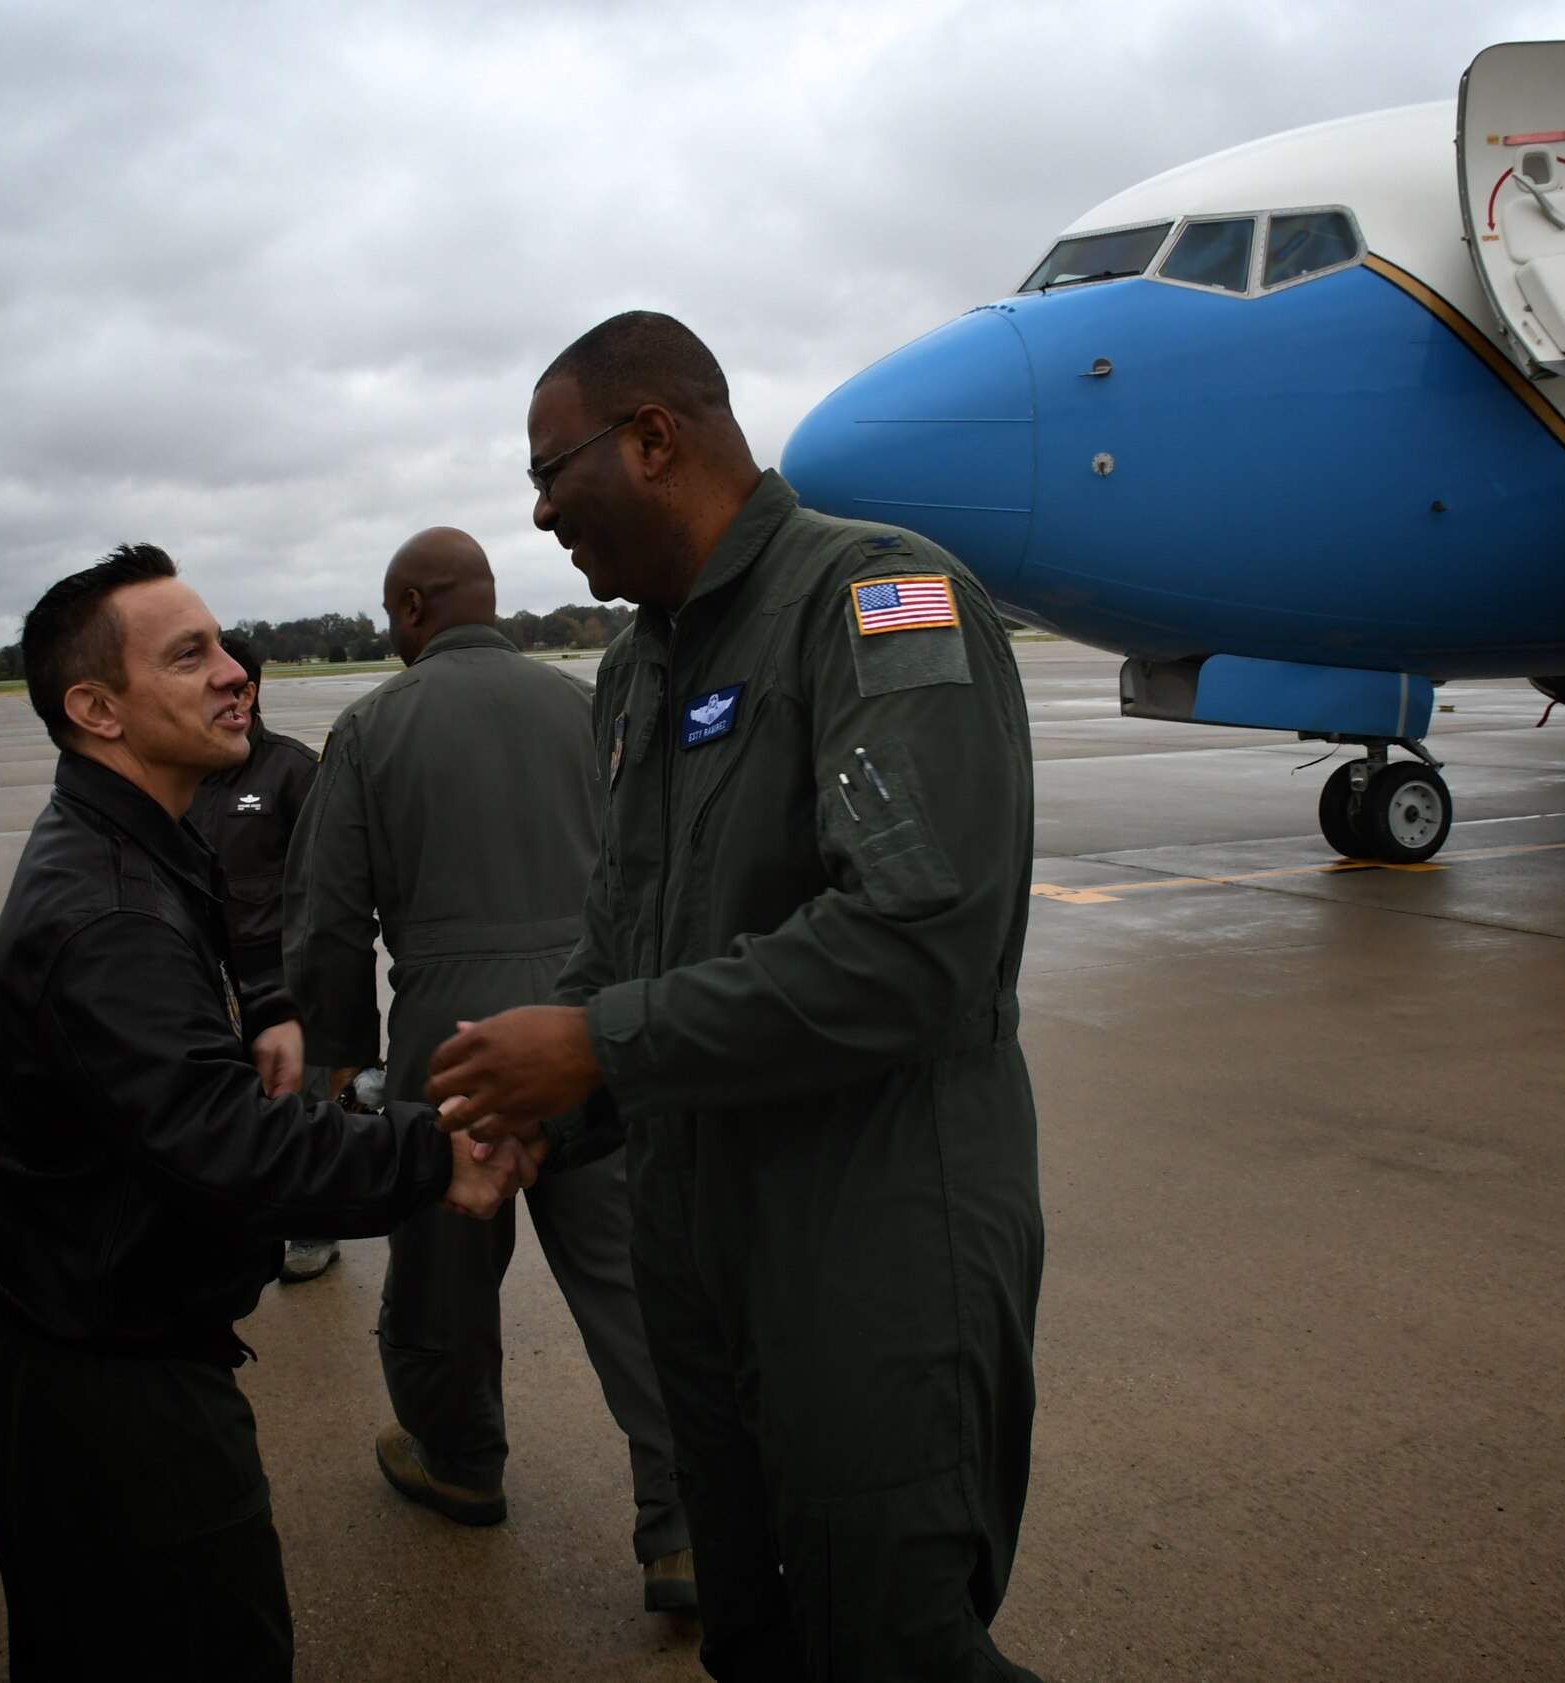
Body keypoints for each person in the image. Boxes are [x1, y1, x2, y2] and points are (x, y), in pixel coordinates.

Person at [428, 314, 1047, 1680]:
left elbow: (914, 942)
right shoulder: (636, 671)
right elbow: (625, 940)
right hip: (700, 1255)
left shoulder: (876, 601)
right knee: (752, 1634)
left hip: (872, 1240)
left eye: (554, 469)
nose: (537, 514)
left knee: (893, 1642)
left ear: (655, 436)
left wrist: (597, 1042)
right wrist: (544, 1109)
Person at [0, 544, 537, 1682]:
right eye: (189, 655)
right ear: (96, 710)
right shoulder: (106, 910)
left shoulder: (135, 844)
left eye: (222, 645)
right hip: (105, 1390)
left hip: (72, 1332)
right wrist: (428, 1151)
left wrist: (261, 1010)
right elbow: (222, 1145)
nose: (233, 674)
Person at [281, 526, 692, 1607]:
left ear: (414, 606)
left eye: (388, 612)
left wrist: (342, 1058)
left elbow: (328, 920)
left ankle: (458, 1459)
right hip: (584, 1014)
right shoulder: (584, 702)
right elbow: (652, 868)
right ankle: (685, 1524)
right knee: (625, 1270)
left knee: (444, 1268)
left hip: (450, 1032)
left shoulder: (371, 726)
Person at [188, 631, 338, 1283]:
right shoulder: (181, 773)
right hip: (204, 979)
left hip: (283, 976)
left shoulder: (292, 770)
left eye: (244, 686)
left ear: (256, 690)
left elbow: (335, 881)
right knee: (219, 1114)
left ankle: (311, 1229)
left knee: (294, 1109)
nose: (233, 698)